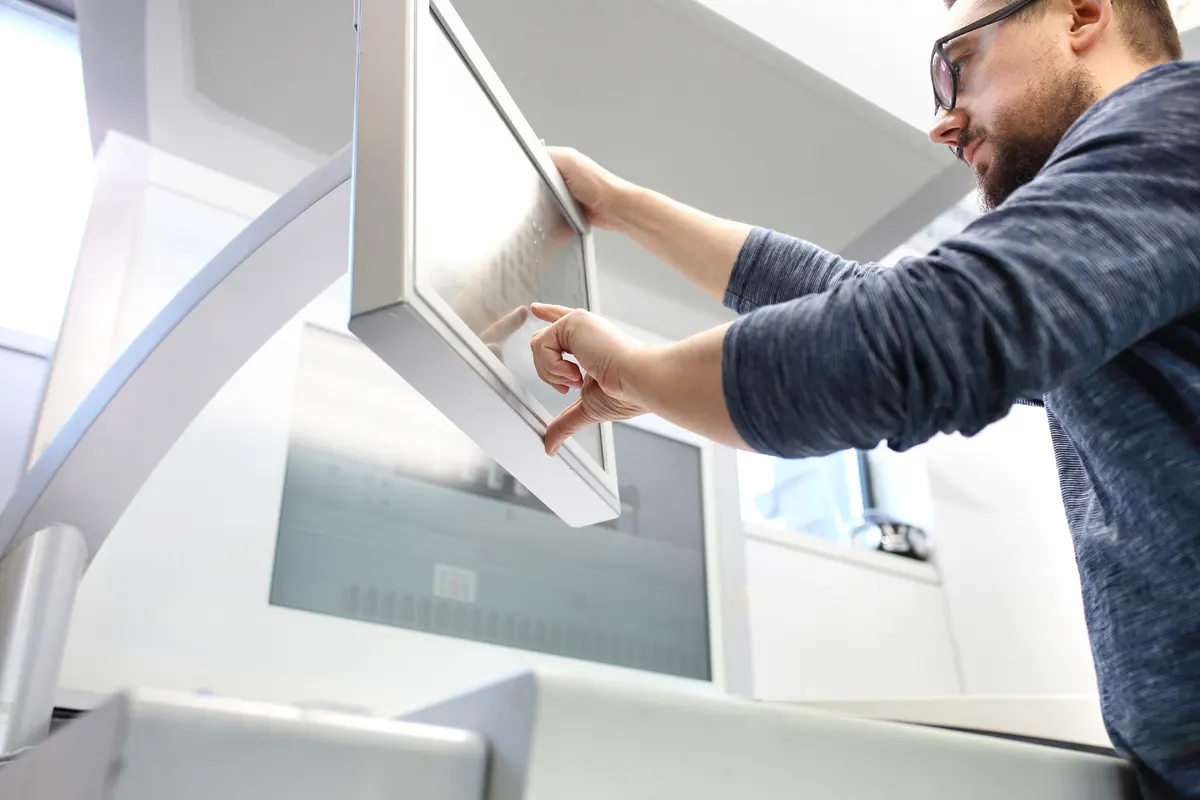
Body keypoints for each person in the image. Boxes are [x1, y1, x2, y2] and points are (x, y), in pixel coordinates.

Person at [526, 0, 1200, 796]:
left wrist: (642, 370)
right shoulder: (1144, 231)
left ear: (1082, 14)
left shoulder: (1178, 121)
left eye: (957, 65)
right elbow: (864, 298)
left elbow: (911, 337)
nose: (944, 123)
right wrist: (616, 204)